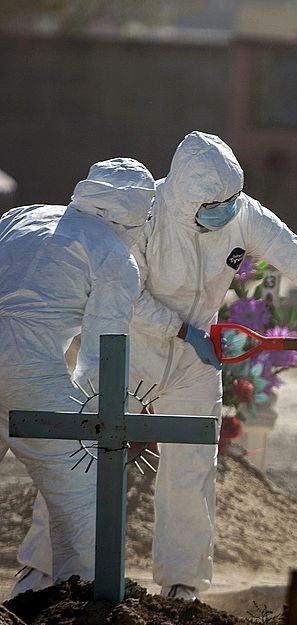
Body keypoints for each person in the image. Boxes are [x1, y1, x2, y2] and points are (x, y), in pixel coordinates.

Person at [14, 131, 297, 601]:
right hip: (128, 349)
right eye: (213, 203)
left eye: (230, 199)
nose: (224, 209)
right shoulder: (143, 213)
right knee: (82, 460)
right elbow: (123, 292)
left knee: (191, 469)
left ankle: (181, 584)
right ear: (184, 197)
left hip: (194, 359)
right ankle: (41, 573)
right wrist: (184, 330)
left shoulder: (243, 214)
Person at [1, 158, 155, 597]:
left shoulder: (23, 215)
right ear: (134, 211)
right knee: (82, 489)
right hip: (27, 372)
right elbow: (100, 358)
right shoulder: (115, 255)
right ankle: (84, 605)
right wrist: (117, 423)